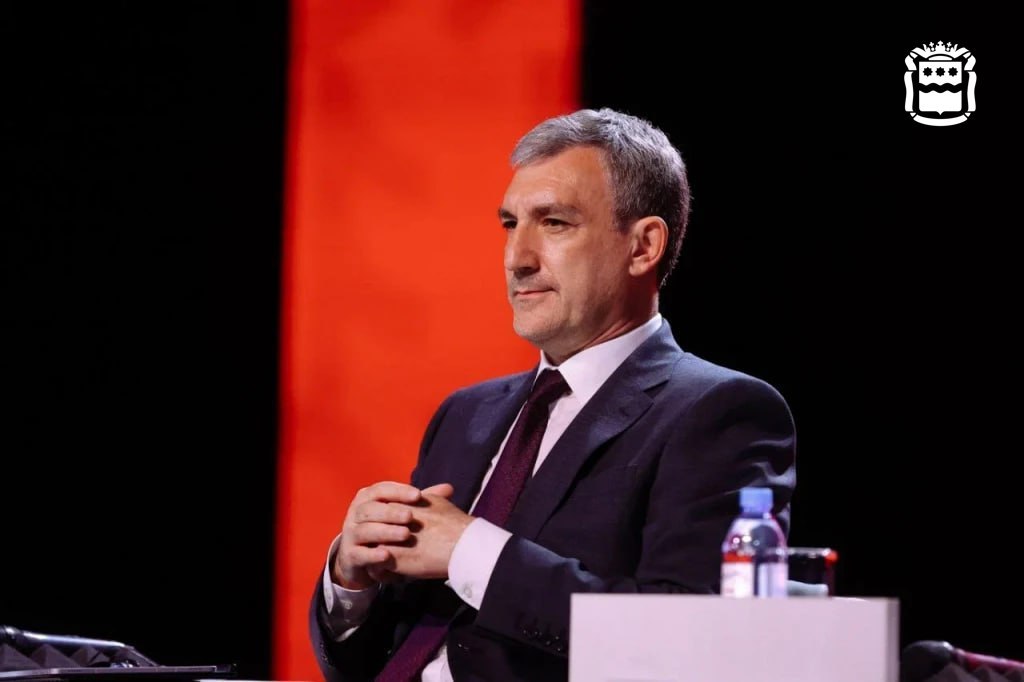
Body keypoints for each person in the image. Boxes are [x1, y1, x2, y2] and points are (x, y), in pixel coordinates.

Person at [308, 107, 797, 682]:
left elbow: (692, 639)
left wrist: (470, 550)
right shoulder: (464, 414)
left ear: (643, 246)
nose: (517, 258)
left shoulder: (719, 413)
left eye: (555, 223)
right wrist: (351, 581)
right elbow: (384, 654)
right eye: (510, 224)